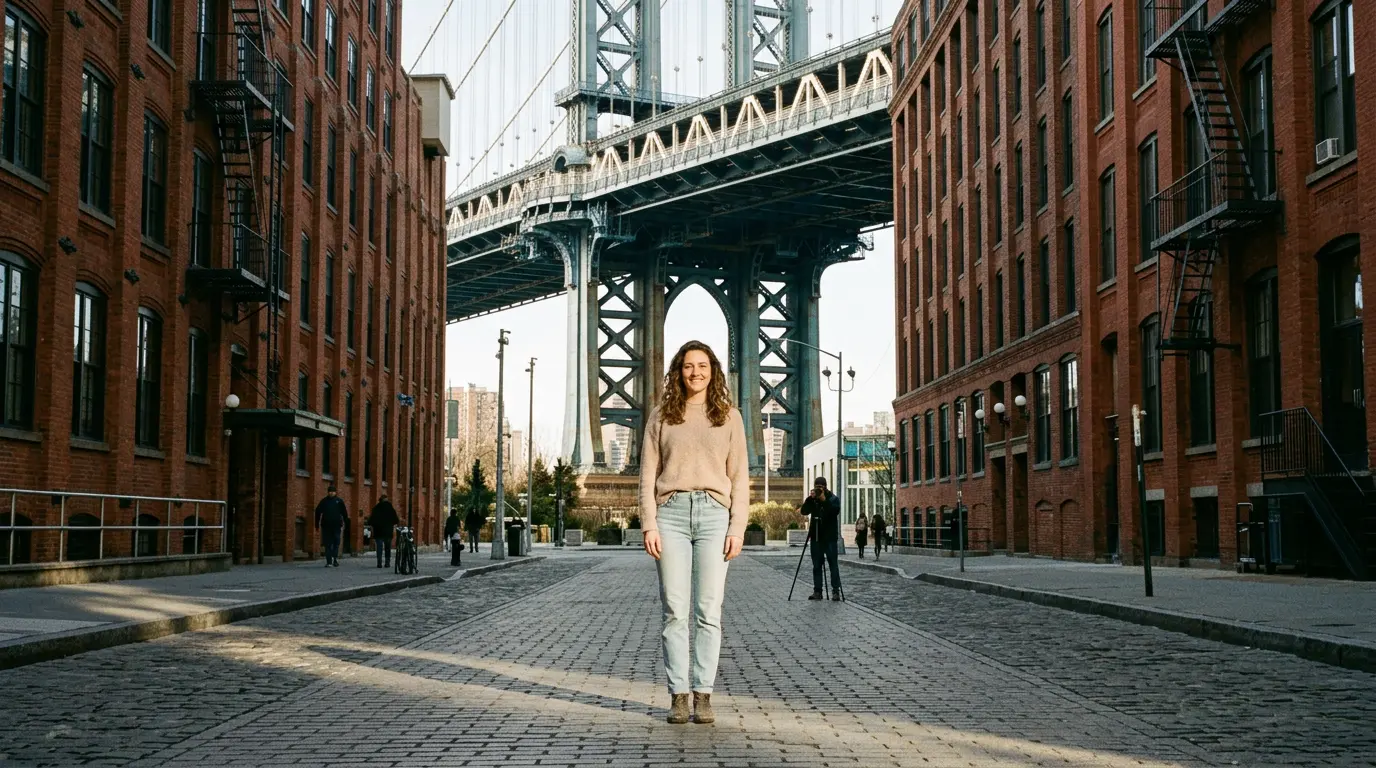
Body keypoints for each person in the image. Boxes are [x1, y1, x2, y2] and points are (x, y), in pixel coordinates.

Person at [639, 340, 748, 726]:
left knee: (708, 611)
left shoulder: (730, 417)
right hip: (670, 514)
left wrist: (738, 527)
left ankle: (703, 694)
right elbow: (648, 474)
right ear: (678, 371)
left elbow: (740, 477)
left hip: (714, 516)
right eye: (688, 366)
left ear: (713, 370)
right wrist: (649, 523)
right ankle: (678, 696)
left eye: (702, 365)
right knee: (674, 610)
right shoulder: (661, 416)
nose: (695, 372)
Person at [799, 477, 842, 601]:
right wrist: (809, 499)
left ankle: (836, 591)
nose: (818, 489)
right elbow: (804, 511)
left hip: (829, 537)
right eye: (816, 486)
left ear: (825, 486)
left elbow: (834, 512)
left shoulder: (833, 499)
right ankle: (817, 591)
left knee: (833, 565)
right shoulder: (814, 500)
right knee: (816, 565)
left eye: (820, 486)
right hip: (816, 537)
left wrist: (824, 500)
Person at [314, 486, 347, 567]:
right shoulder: (324, 501)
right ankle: (329, 561)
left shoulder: (339, 501)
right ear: (327, 492)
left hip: (336, 525)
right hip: (326, 525)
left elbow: (344, 513)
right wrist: (317, 524)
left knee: (336, 542)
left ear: (335, 492)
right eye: (330, 491)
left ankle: (334, 558)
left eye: (333, 491)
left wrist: (345, 522)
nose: (331, 493)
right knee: (328, 543)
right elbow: (317, 512)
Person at [366, 495, 400, 569]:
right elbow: (396, 520)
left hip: (378, 531)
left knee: (379, 547)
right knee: (387, 547)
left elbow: (371, 521)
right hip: (388, 531)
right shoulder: (390, 509)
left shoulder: (376, 508)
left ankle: (379, 563)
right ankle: (387, 563)